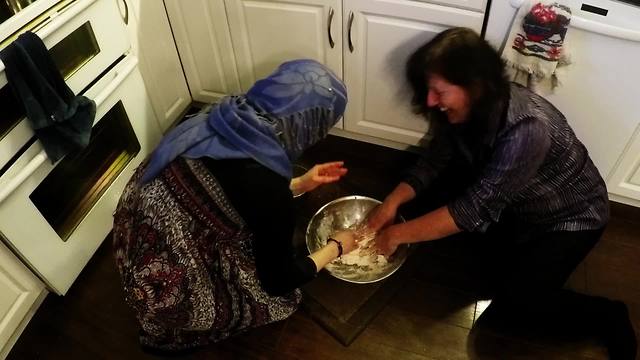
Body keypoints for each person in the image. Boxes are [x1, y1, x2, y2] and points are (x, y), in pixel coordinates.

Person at [368, 27, 637, 359]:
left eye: (439, 91)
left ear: (475, 86)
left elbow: (471, 210)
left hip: (571, 217)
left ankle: (609, 314)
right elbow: (436, 159)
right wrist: (391, 203)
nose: (429, 101)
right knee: (421, 190)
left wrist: (396, 234)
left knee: (519, 303)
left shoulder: (528, 129)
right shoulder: (468, 109)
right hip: (517, 204)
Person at [112, 59, 357, 353]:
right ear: (308, 127)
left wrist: (299, 184)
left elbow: (232, 188)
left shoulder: (222, 115)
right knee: (282, 303)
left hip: (130, 232)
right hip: (162, 279)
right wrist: (336, 247)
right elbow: (278, 281)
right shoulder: (268, 190)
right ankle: (171, 318)